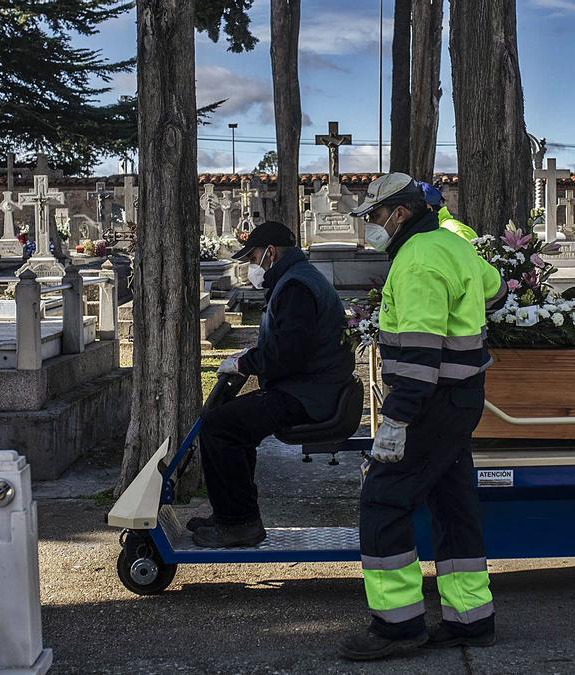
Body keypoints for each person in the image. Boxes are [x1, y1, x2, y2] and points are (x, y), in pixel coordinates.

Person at [339, 173, 506, 661]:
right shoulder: (454, 246)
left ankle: (398, 627)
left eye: (375, 216)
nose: (372, 225)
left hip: (428, 404)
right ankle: (471, 620)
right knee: (454, 507)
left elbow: (417, 360)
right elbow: (495, 292)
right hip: (462, 399)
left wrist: (394, 422)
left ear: (401, 213)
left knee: (384, 501)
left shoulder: (415, 262)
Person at [190, 221, 355, 548]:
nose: (252, 266)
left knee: (219, 427)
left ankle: (239, 523)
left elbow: (288, 354)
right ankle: (231, 513)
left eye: (253, 258)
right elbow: (287, 342)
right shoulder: (297, 279)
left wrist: (245, 362)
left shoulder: (295, 287)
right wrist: (251, 355)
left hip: (308, 394)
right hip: (309, 387)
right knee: (234, 425)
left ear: (271, 252)